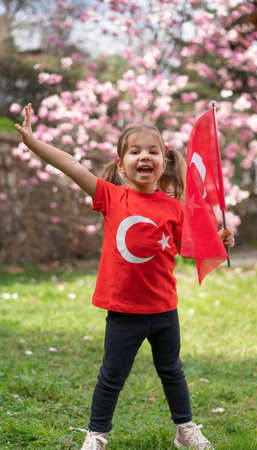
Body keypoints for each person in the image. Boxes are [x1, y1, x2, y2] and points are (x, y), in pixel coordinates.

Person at [15, 103, 235, 450]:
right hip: (124, 312)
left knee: (172, 372)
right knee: (111, 376)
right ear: (120, 164)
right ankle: (97, 434)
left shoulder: (175, 209)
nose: (143, 157)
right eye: (134, 151)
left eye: (152, 152)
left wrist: (220, 241)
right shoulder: (111, 196)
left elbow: (189, 248)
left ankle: (185, 429)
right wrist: (33, 142)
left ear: (164, 161)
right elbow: (71, 164)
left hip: (164, 310)